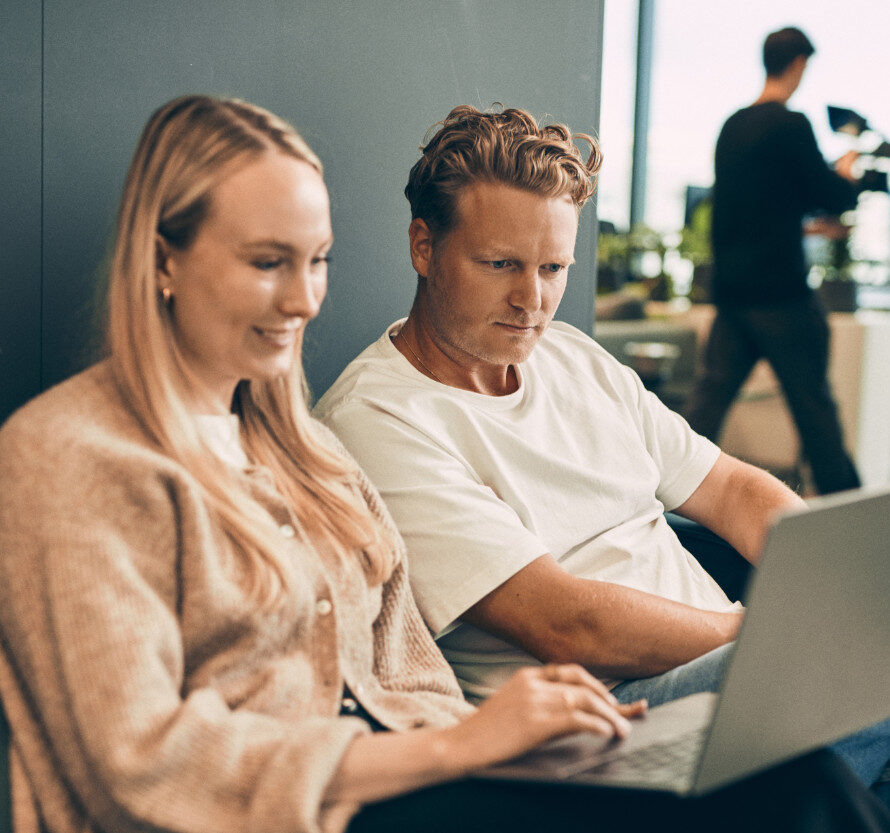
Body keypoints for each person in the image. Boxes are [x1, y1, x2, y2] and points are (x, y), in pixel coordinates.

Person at [4, 94, 884, 833]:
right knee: (809, 779)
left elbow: (405, 668)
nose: (305, 298)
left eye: (317, 263)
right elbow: (139, 762)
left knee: (807, 780)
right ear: (162, 258)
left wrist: (504, 737)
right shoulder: (68, 457)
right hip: (379, 789)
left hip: (464, 765)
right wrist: (457, 745)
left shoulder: (301, 456)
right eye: (269, 262)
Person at [313, 104, 890, 795]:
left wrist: (827, 586)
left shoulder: (573, 359)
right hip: (605, 721)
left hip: (715, 673)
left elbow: (734, 489)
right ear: (423, 245)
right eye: (500, 264)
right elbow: (565, 621)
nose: (533, 300)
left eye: (553, 267)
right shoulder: (377, 419)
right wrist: (764, 632)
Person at [684, 26, 868, 495]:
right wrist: (846, 174)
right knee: (815, 411)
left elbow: (749, 211)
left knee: (705, 410)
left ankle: (654, 496)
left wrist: (803, 226)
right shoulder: (791, 125)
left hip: (734, 295)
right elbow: (827, 194)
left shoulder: (733, 126)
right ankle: (850, 519)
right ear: (800, 64)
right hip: (781, 298)